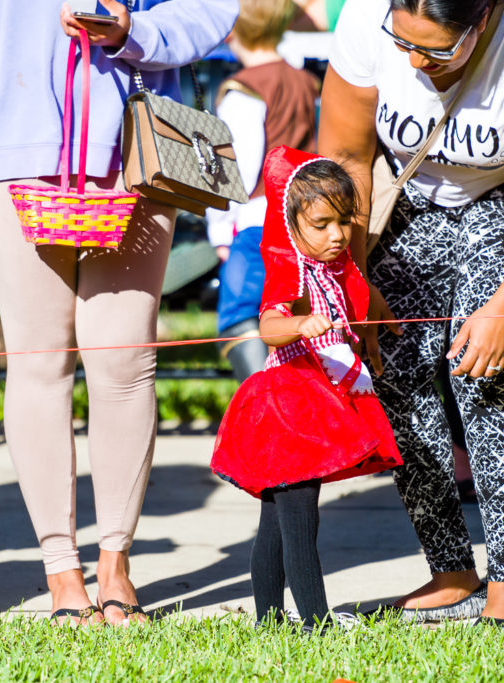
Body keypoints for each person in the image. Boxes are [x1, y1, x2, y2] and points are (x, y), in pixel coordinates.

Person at [0, 0, 237, 625]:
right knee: (39, 364)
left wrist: (135, 29)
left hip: (137, 152)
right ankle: (63, 575)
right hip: (11, 154)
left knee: (125, 364)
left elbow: (214, 9)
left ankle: (116, 566)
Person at [318, 0, 504, 623]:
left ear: (484, 18)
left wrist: (503, 309)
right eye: (404, 42)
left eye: (438, 50)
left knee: (483, 375)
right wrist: (356, 282)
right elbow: (346, 159)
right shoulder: (365, 18)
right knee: (394, 369)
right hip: (410, 199)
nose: (414, 60)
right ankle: (450, 569)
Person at [210, 146, 402, 630]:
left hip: (315, 404)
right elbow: (268, 325)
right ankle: (316, 623)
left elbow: (359, 301)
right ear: (290, 222)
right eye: (322, 224)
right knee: (299, 524)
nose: (337, 235)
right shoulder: (289, 268)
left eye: (344, 221)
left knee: (276, 525)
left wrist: (373, 330)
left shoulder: (330, 266)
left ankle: (270, 621)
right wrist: (299, 324)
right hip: (292, 412)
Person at [206, 0, 320, 381]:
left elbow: (231, 173)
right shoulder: (306, 81)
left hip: (258, 226)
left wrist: (220, 231)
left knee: (240, 312)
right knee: (294, 315)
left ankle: (264, 404)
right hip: (303, 222)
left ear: (232, 29)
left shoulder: (244, 90)